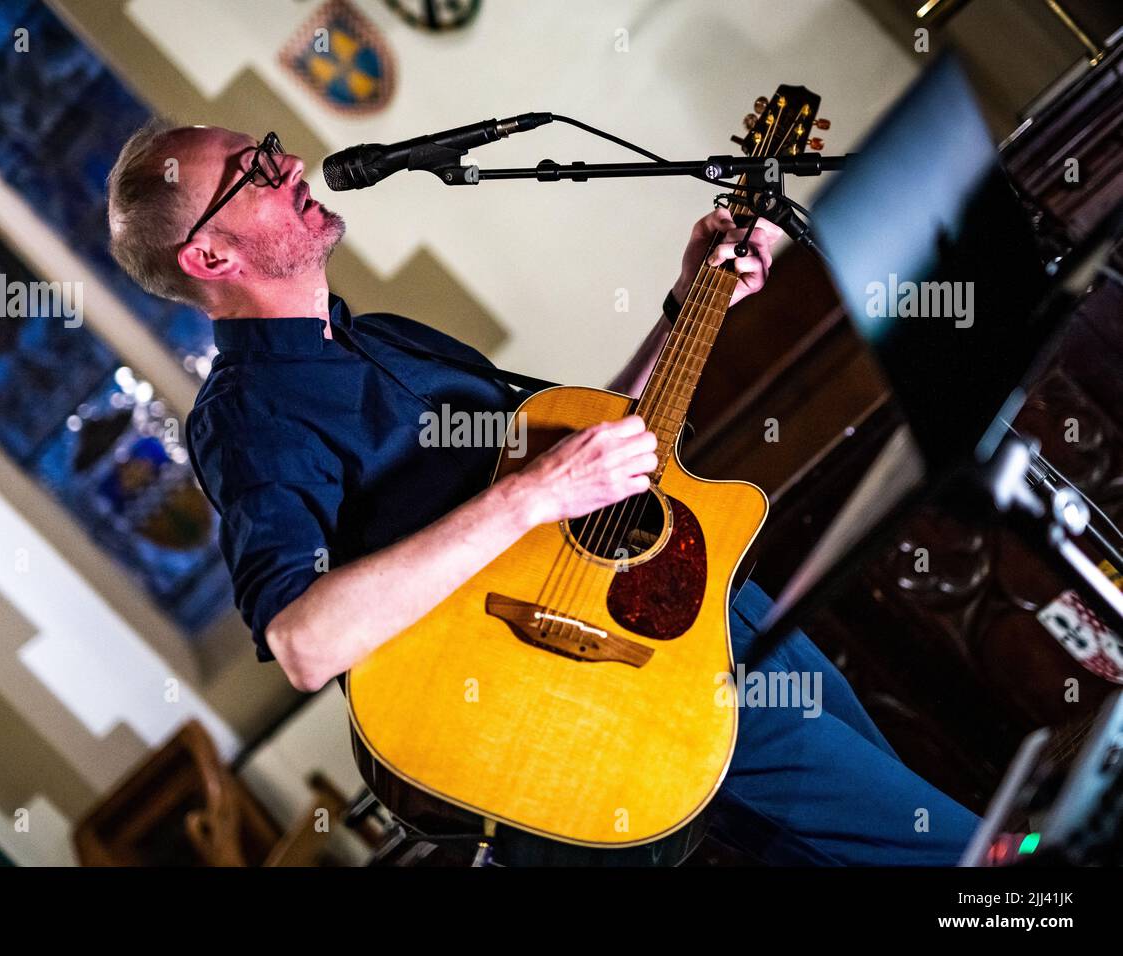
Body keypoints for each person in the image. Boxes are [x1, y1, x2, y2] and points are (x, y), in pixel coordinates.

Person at [107, 121, 979, 864]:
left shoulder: (382, 335)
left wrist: (687, 303)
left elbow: (578, 448)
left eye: (268, 147)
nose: (288, 163)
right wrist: (528, 498)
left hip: (696, 600)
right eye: (252, 172)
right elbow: (303, 640)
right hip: (603, 684)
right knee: (959, 849)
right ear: (211, 253)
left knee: (915, 814)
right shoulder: (247, 417)